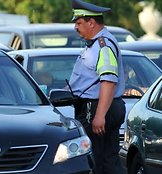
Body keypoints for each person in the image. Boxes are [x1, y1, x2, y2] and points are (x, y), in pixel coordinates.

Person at [68, 0, 126, 174]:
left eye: (79, 23)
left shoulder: (103, 45)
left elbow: (108, 81)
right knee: (103, 161)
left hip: (99, 108)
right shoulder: (94, 44)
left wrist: (99, 116)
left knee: (100, 162)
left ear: (91, 22)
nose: (76, 28)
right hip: (96, 107)